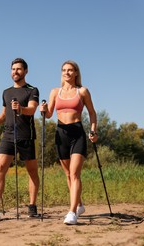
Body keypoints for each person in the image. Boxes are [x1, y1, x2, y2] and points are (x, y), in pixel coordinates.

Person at [0, 58, 40, 220]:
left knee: (32, 171)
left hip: (26, 135)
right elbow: (4, 115)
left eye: (19, 69)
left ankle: (32, 206)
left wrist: (21, 109)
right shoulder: (6, 92)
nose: (15, 72)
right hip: (8, 135)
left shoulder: (32, 90)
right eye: (13, 69)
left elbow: (32, 110)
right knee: (0, 167)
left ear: (26, 71)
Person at [40, 60, 97, 225]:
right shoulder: (54, 92)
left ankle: (72, 212)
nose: (67, 73)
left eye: (70, 70)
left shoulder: (82, 91)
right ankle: (79, 204)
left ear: (76, 73)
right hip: (61, 134)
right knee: (67, 175)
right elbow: (49, 114)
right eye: (64, 70)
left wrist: (93, 131)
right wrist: (43, 111)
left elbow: (92, 113)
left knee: (74, 174)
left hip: (77, 133)